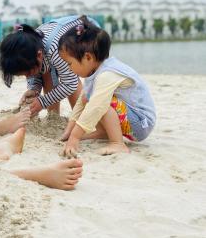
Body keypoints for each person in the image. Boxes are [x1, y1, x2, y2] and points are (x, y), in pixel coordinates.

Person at [0, 15, 99, 136]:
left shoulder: (56, 49)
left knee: (70, 76)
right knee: (45, 71)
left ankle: (83, 120)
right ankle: (54, 116)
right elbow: (38, 71)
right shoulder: (32, 47)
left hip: (89, 34)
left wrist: (42, 102)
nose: (27, 76)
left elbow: (70, 84)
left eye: (27, 73)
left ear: (39, 55)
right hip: (58, 42)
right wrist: (34, 89)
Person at [58, 19, 156, 157]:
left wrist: (75, 138)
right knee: (88, 98)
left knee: (98, 101)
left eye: (69, 63)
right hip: (129, 117)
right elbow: (82, 100)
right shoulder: (94, 70)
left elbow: (96, 106)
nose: (69, 68)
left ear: (87, 57)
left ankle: (117, 143)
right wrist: (70, 129)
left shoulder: (107, 74)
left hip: (141, 123)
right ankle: (104, 133)